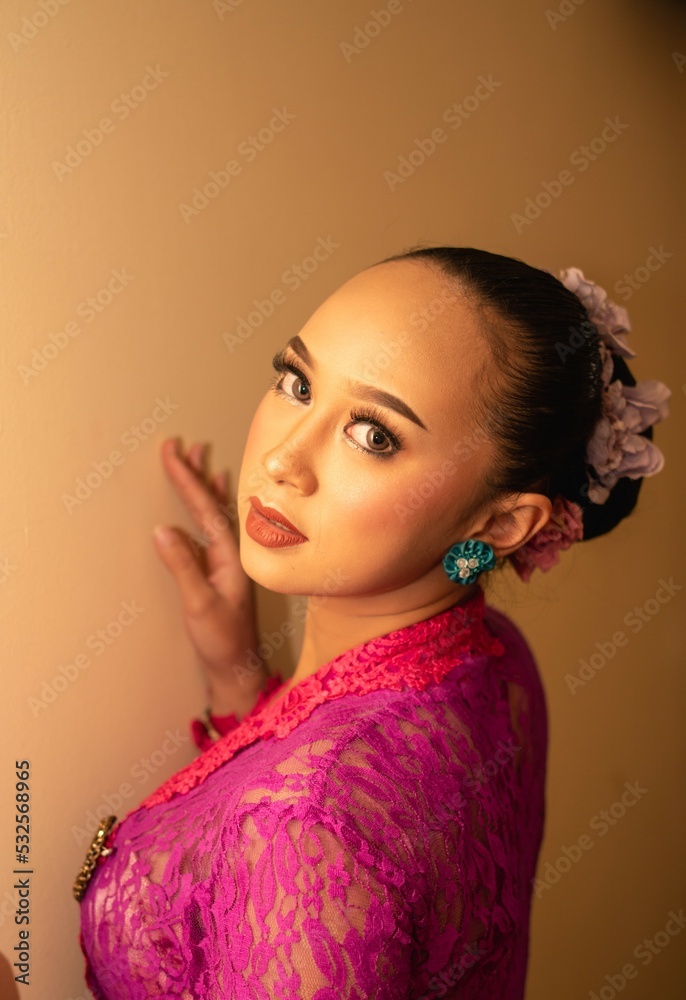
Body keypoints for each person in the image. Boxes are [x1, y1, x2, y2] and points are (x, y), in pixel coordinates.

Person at [75, 246, 670, 998]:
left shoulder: (306, 830)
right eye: (297, 383)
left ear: (500, 523)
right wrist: (238, 675)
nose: (284, 460)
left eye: (374, 435)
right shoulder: (493, 660)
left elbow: (334, 819)